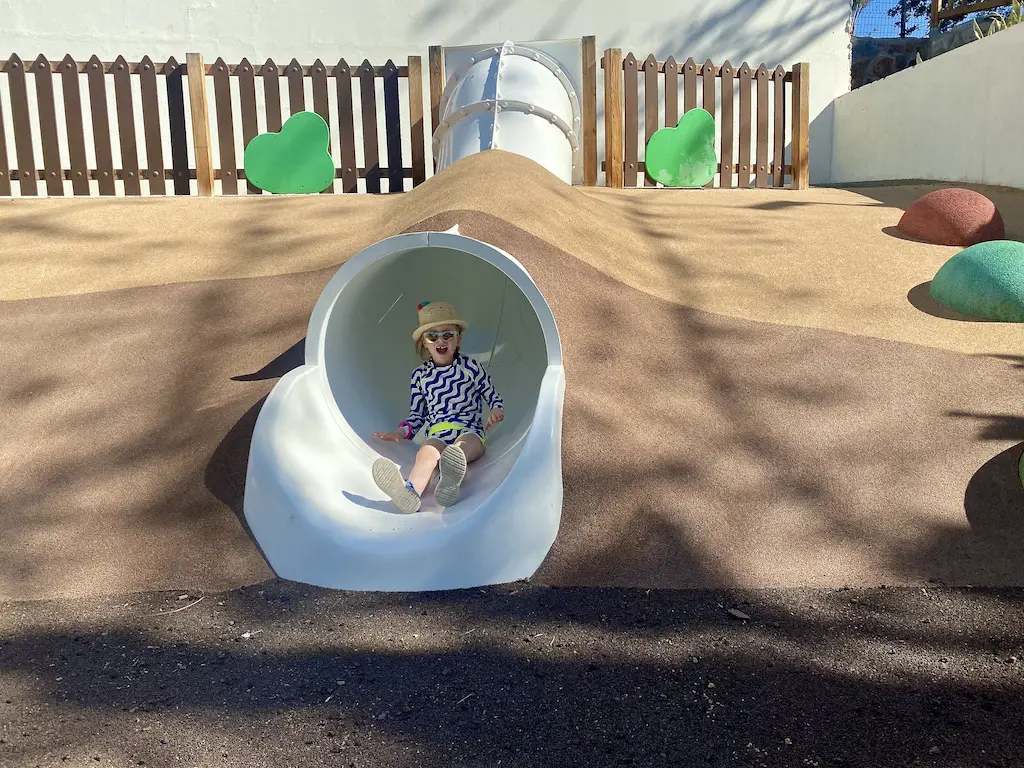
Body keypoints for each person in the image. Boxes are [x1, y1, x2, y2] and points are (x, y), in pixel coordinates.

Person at [371, 301, 504, 513]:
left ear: (458, 339)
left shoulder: (471, 368)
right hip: (437, 433)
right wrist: (400, 432)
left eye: (447, 335)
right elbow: (417, 415)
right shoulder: (420, 377)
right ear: (425, 343)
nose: (440, 341)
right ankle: (409, 493)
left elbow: (492, 395)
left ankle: (448, 479)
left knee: (460, 450)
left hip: (468, 430)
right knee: (425, 455)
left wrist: (496, 411)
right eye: (433, 336)